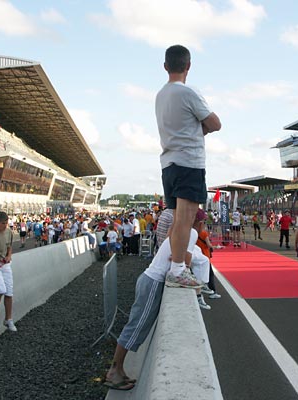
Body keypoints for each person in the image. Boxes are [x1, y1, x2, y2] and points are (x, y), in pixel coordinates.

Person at [104, 219, 203, 391]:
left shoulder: (178, 229)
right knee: (136, 327)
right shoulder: (191, 233)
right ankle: (114, 371)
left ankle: (118, 369)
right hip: (153, 283)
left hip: (148, 279)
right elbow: (180, 261)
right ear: (200, 223)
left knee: (135, 325)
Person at [155, 44, 221, 287]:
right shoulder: (188, 92)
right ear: (188, 66)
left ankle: (167, 265)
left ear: (165, 66)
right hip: (188, 163)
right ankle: (177, 269)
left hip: (168, 163)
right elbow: (215, 123)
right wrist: (197, 131)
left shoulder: (161, 95)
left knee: (176, 220)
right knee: (185, 219)